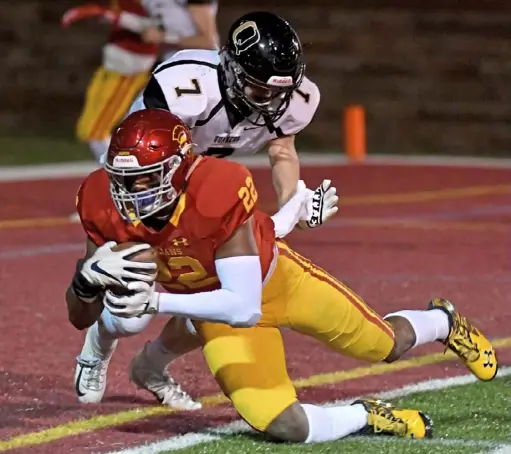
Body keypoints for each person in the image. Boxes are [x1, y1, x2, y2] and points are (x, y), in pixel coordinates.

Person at [69, 109, 497, 443]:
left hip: (274, 283)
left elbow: (243, 303)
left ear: (180, 169)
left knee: (383, 345)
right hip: (214, 313)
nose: (132, 192)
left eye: (146, 178)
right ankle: (366, 414)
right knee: (281, 425)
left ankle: (443, 321)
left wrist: (157, 302)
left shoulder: (216, 189)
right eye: (124, 179)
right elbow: (78, 314)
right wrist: (84, 282)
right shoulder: (100, 200)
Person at [127, 11, 327, 217]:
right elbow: (149, 155)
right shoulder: (190, 84)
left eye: (279, 93)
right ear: (233, 70)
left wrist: (292, 208)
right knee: (231, 190)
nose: (270, 100)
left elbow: (282, 152)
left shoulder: (298, 97)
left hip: (196, 177)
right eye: (259, 89)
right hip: (143, 171)